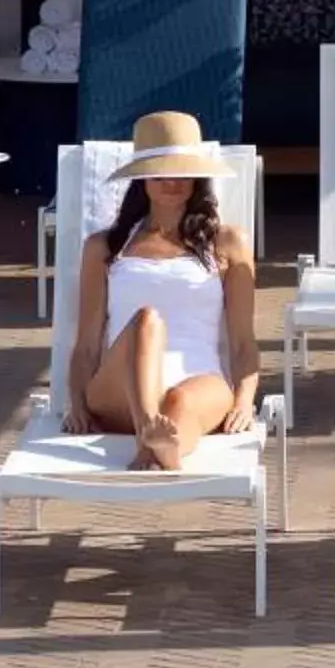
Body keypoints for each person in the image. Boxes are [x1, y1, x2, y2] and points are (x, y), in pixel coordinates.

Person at [63, 111, 258, 470]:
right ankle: (148, 432)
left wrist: (245, 401)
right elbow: (87, 344)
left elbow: (244, 341)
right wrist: (75, 401)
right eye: (162, 171)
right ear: (142, 179)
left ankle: (162, 449)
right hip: (118, 389)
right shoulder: (105, 247)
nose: (174, 182)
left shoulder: (228, 243)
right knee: (147, 321)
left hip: (201, 379)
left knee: (182, 400)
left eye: (183, 172)